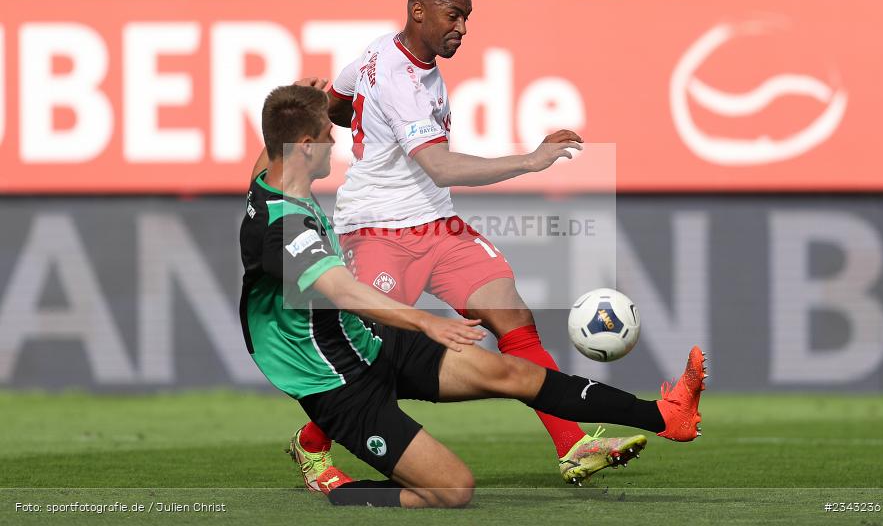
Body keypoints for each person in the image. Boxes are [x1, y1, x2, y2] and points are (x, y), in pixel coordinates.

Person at [240, 83, 706, 509]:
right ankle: (338, 493)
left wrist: (298, 102)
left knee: (514, 373)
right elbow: (343, 289)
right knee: (452, 490)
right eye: (326, 133)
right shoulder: (284, 228)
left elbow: (272, 151)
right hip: (336, 381)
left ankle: (665, 416)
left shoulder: (275, 180)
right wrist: (427, 321)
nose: (335, 141)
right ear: (303, 147)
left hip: (371, 341)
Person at [294, 0, 639, 487]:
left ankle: (574, 445)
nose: (462, 27)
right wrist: (527, 161)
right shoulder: (396, 75)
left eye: (467, 18)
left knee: (514, 318)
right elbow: (443, 167)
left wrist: (340, 113)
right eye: (454, 15)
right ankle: (311, 443)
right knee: (380, 352)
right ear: (419, 11)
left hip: (436, 224)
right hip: (376, 227)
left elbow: (340, 104)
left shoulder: (380, 53)